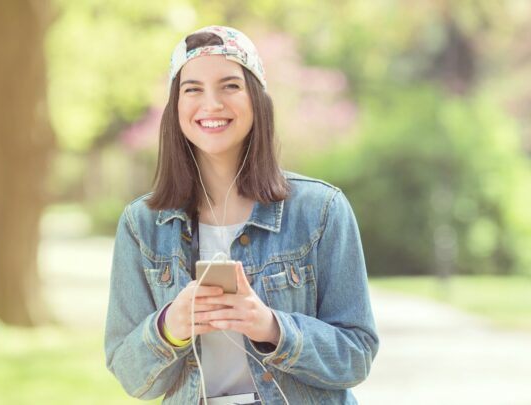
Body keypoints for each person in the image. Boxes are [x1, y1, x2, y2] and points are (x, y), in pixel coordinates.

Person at [105, 25, 379, 405]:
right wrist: (172, 325)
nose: (212, 104)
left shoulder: (321, 210)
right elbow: (133, 376)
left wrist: (270, 326)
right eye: (193, 89)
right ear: (177, 107)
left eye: (230, 85)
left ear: (257, 99)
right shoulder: (142, 225)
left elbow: (356, 355)